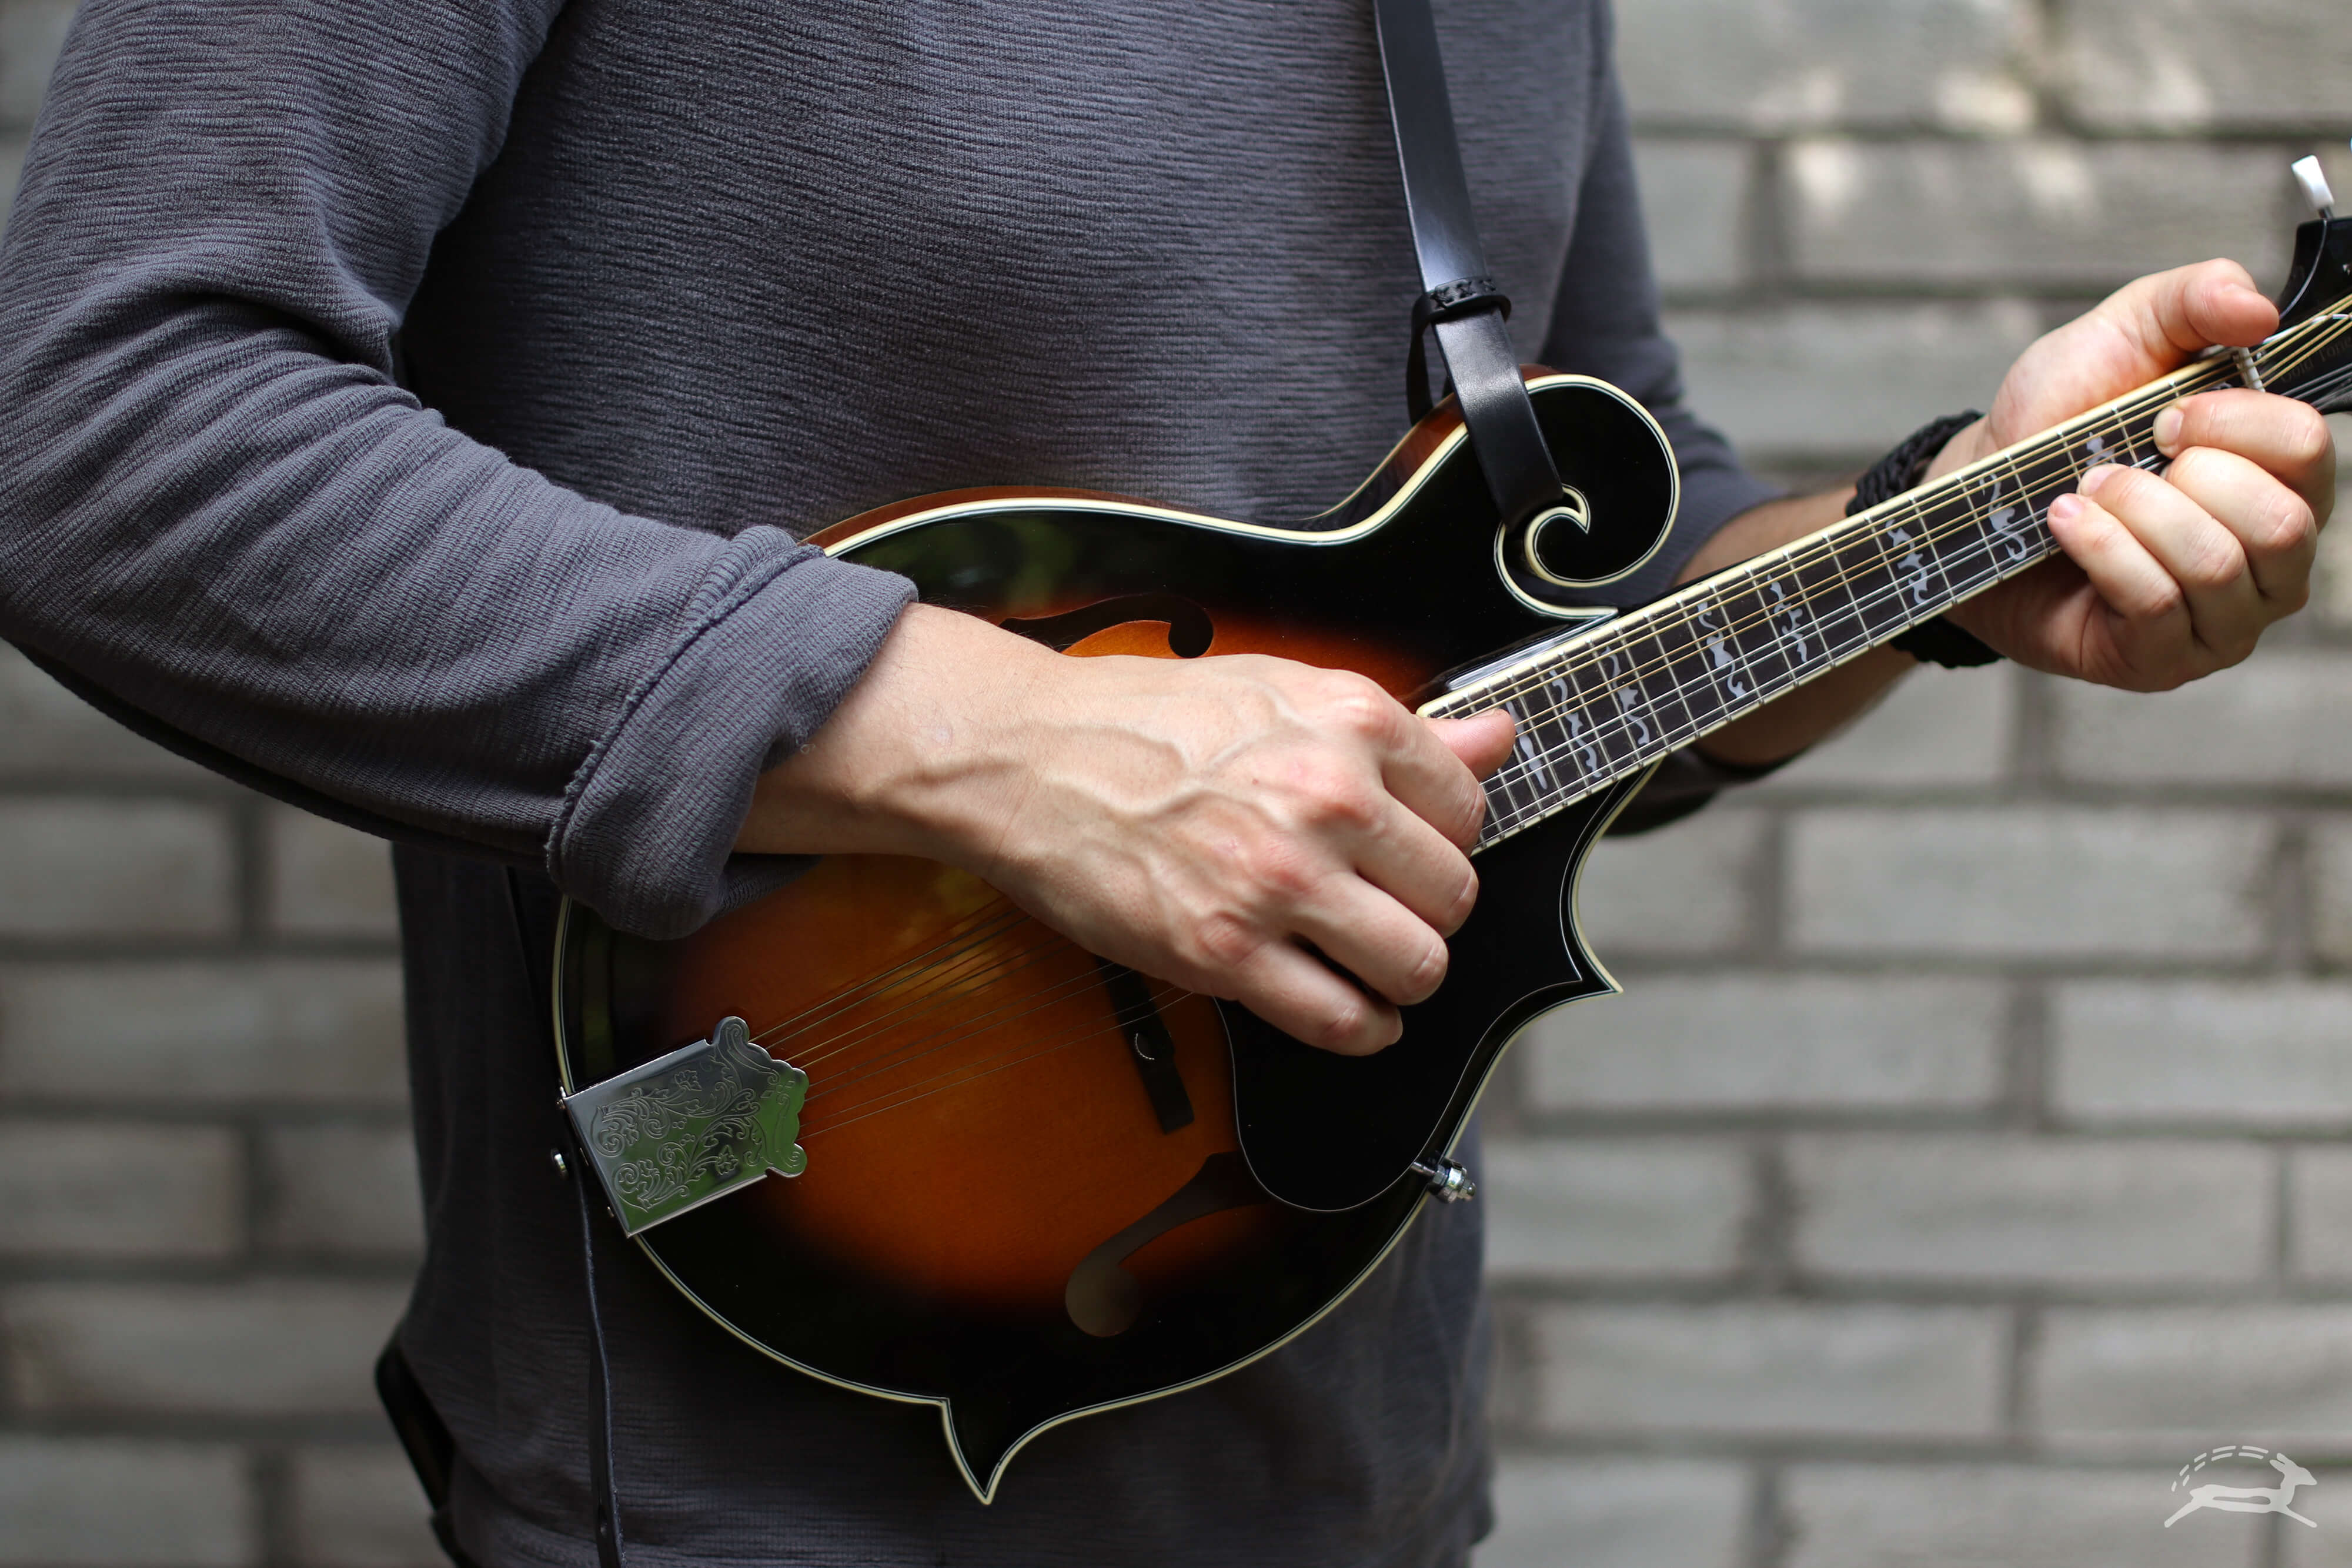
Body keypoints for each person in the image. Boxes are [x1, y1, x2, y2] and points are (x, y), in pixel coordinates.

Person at [0, 1, 2331, 1564]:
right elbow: (102, 432)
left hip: (1355, 1449)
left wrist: (1951, 536)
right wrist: (1012, 751)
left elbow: (1578, 561)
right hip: (740, 1468)